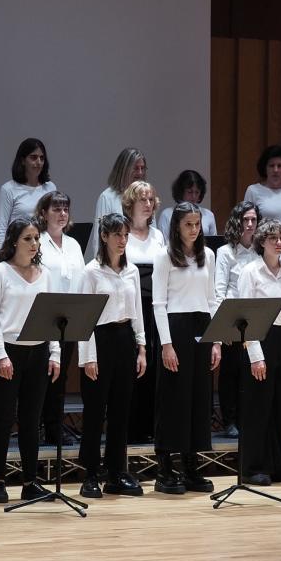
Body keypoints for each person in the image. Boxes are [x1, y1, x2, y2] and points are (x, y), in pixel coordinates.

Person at [0, 218, 61, 503]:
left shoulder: (45, 274)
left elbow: (52, 316)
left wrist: (55, 353)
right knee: (3, 419)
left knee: (31, 420)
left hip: (38, 352)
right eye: (28, 238)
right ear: (14, 241)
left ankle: (30, 482)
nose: (34, 243)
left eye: (36, 238)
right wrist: (0, 355)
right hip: (8, 352)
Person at [151, 202, 220, 494]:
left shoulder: (209, 255)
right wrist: (166, 344)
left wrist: (216, 340)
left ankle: (191, 466)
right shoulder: (165, 256)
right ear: (176, 227)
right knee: (173, 398)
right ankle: (165, 468)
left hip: (201, 326)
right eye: (188, 224)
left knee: (198, 398)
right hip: (175, 328)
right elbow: (159, 303)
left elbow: (212, 298)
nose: (194, 230)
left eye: (197, 224)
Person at [77, 213, 147, 499]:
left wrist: (141, 347)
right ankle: (90, 474)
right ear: (104, 236)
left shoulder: (131, 271)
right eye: (117, 234)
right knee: (95, 410)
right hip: (100, 339)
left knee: (121, 410)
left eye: (126, 235)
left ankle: (117, 472)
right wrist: (88, 357)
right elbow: (84, 318)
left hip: (124, 338)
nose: (122, 240)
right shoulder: (91, 272)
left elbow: (137, 310)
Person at [237, 218, 281, 485]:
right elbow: (245, 316)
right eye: (273, 238)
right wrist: (256, 356)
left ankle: (278, 466)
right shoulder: (250, 272)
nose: (279, 243)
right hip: (260, 338)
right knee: (258, 407)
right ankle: (253, 467)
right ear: (262, 241)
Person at [35, 191, 84, 447]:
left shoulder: (73, 244)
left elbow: (81, 279)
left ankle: (54, 426)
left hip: (70, 317)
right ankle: (39, 426)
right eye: (56, 209)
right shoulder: (38, 241)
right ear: (43, 213)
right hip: (45, 315)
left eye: (65, 209)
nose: (62, 213)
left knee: (61, 374)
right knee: (43, 374)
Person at [122, 180, 165, 443]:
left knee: (154, 366)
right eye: (142, 199)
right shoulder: (122, 233)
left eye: (151, 199)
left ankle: (150, 426)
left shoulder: (158, 235)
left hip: (155, 307)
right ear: (130, 203)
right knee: (132, 365)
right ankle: (131, 427)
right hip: (131, 308)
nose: (148, 204)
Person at [213, 201, 260, 439]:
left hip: (255, 316)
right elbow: (219, 290)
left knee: (251, 369)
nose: (250, 224)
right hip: (232, 316)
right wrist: (221, 327)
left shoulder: (260, 250)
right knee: (231, 371)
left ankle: (247, 418)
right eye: (245, 220)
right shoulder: (225, 252)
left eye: (253, 220)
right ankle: (230, 420)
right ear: (237, 222)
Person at [0, 138, 57, 249]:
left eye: (42, 158)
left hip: (46, 250)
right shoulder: (8, 189)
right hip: (19, 251)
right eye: (33, 157)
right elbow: (1, 229)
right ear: (23, 161)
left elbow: (54, 223)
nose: (38, 162)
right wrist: (3, 254)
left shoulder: (50, 188)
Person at [243, 144, 281, 225]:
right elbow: (247, 223)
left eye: (280, 166)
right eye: (271, 166)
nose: (275, 170)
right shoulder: (253, 191)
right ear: (265, 168)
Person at [91, 147, 147, 225]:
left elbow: (153, 229)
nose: (140, 173)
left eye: (142, 168)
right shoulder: (107, 198)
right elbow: (100, 232)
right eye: (136, 168)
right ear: (123, 170)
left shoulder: (147, 197)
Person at [156, 170, 216, 237]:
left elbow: (214, 241)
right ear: (181, 192)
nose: (194, 196)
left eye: (197, 192)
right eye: (190, 192)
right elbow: (163, 241)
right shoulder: (167, 214)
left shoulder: (208, 215)